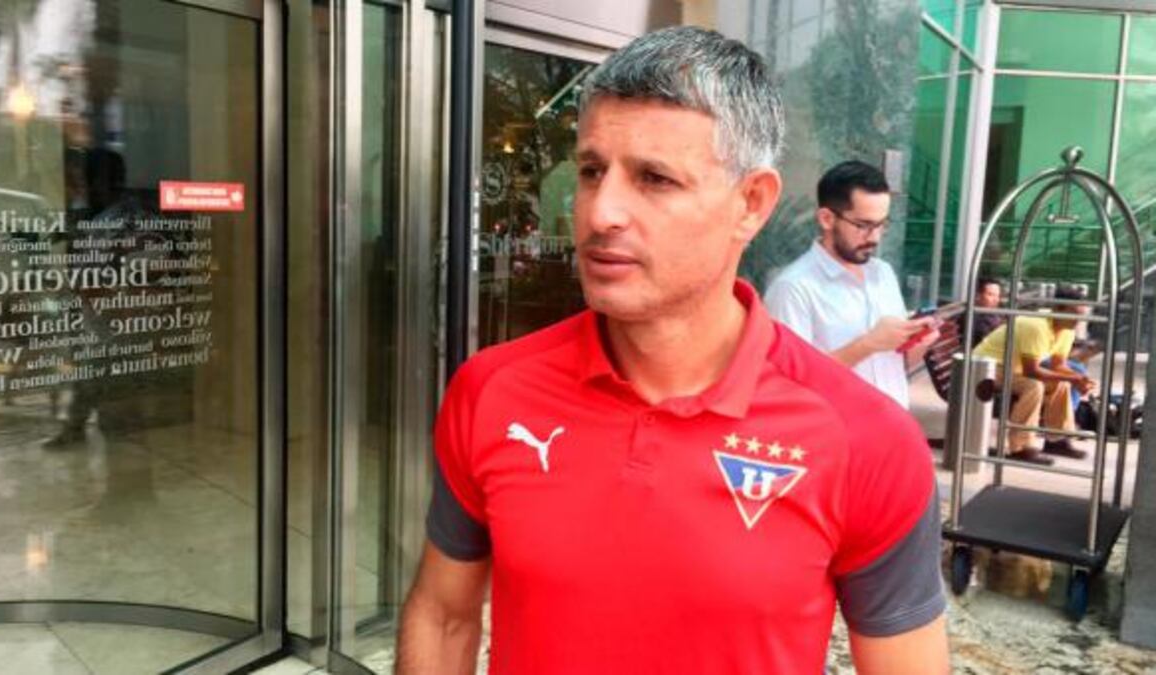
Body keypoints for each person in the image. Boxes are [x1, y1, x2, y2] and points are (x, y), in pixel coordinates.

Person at [396, 26, 948, 675]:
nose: (600, 212)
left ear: (751, 203)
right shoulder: (493, 391)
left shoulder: (867, 441)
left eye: (654, 178)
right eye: (592, 171)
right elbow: (444, 614)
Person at [764, 161, 937, 409]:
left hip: (893, 422)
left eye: (881, 225)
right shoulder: (793, 288)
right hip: (835, 428)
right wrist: (868, 344)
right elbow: (790, 382)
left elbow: (894, 367)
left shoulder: (883, 273)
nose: (875, 237)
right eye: (863, 226)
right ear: (826, 219)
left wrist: (919, 343)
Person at [973, 285, 1096, 464]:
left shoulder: (1067, 330)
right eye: (1075, 314)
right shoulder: (1037, 326)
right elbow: (1032, 371)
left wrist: (1080, 380)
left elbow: (1058, 365)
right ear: (1058, 309)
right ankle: (1020, 447)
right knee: (1033, 386)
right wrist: (1074, 378)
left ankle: (1057, 440)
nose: (1078, 320)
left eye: (1082, 315)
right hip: (985, 367)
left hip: (1010, 369)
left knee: (1062, 384)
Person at [969, 276, 1004, 346]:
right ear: (978, 296)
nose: (996, 300)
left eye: (998, 296)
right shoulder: (975, 318)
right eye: (991, 295)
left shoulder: (991, 313)